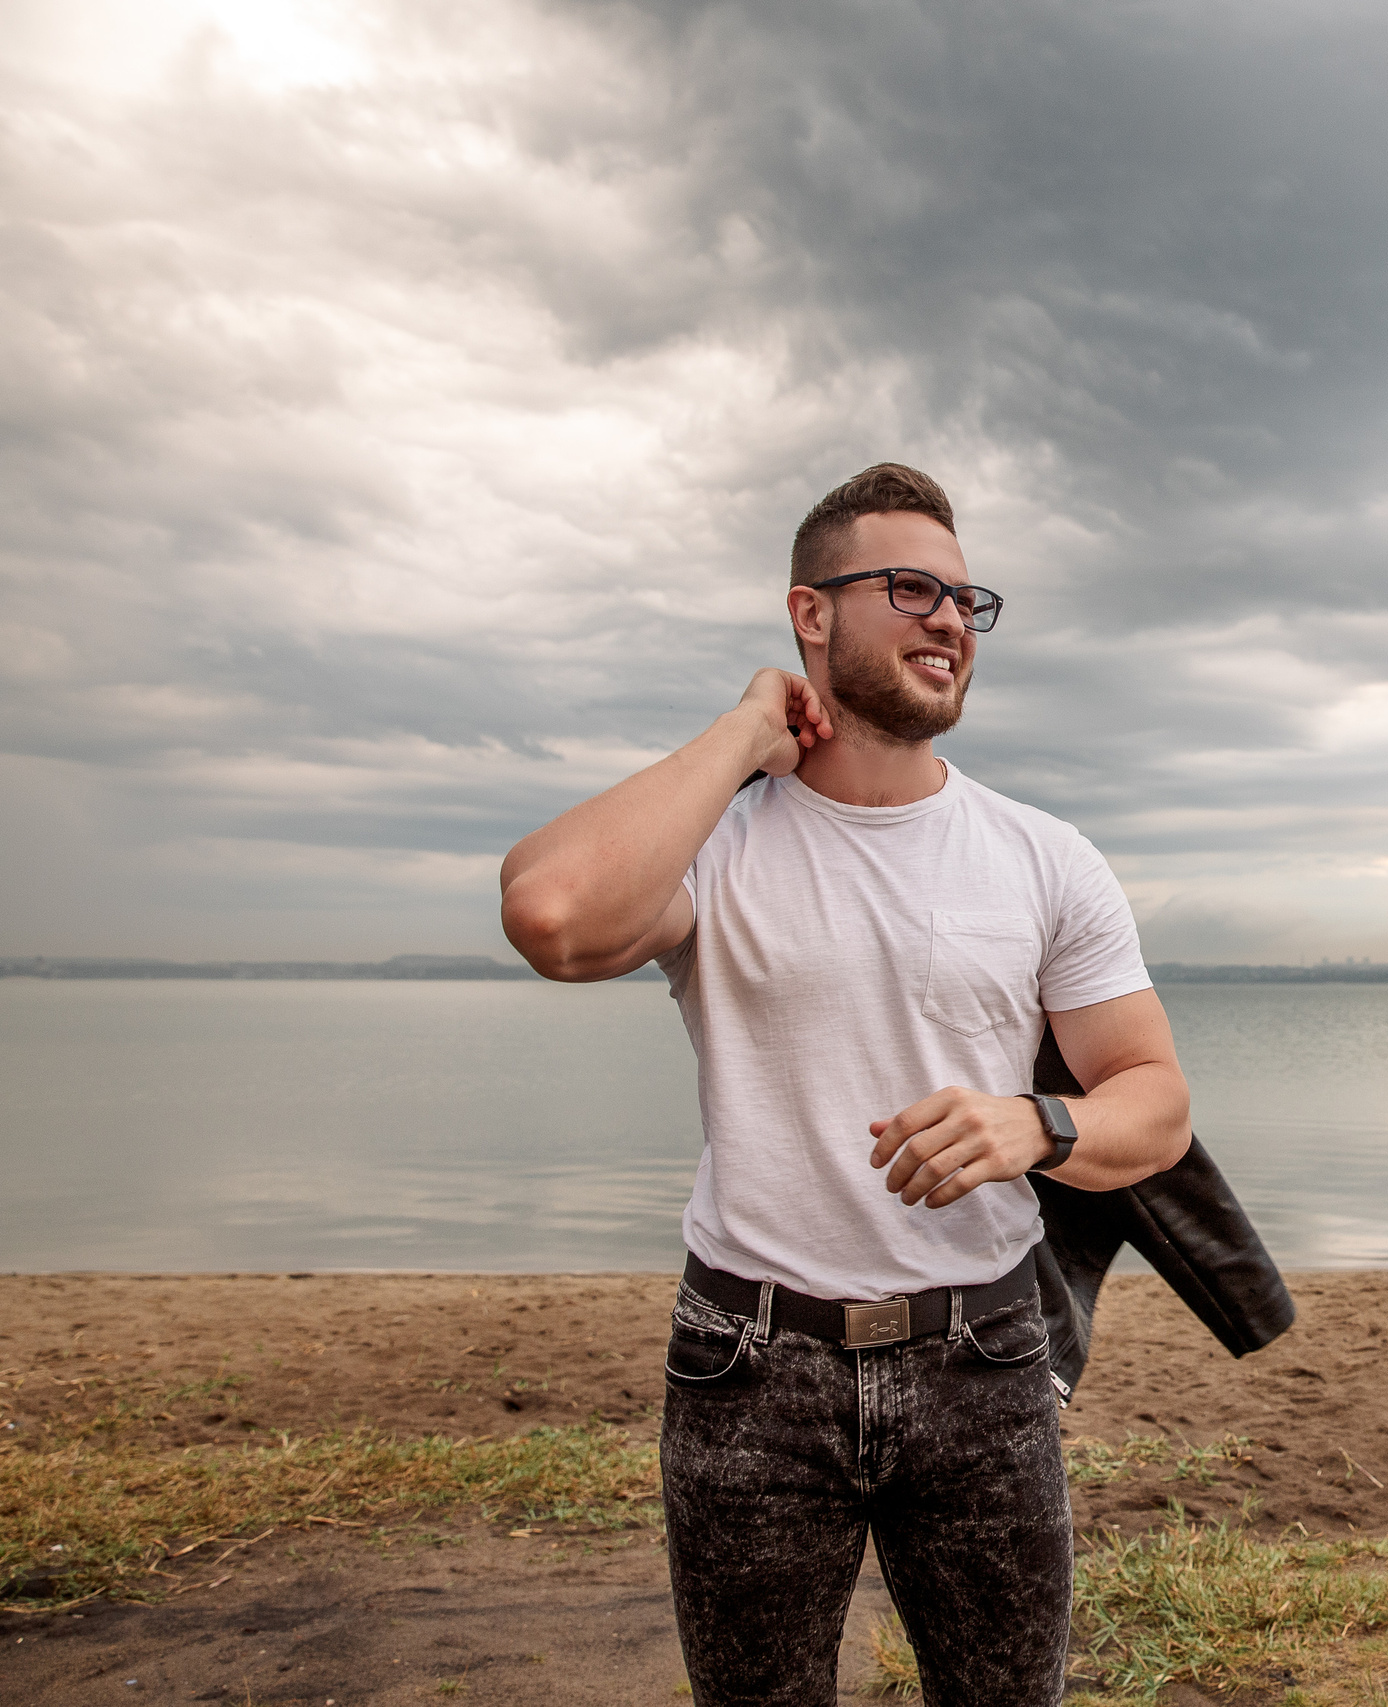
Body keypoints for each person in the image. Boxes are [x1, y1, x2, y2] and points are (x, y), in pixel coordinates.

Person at [497, 462, 1192, 1706]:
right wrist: (741, 736)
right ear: (809, 614)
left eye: (967, 602)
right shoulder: (722, 841)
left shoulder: (1045, 858)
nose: (948, 620)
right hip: (748, 1365)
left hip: (982, 1354)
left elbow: (1155, 1104)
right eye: (912, 587)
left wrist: (1031, 1124)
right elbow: (552, 915)